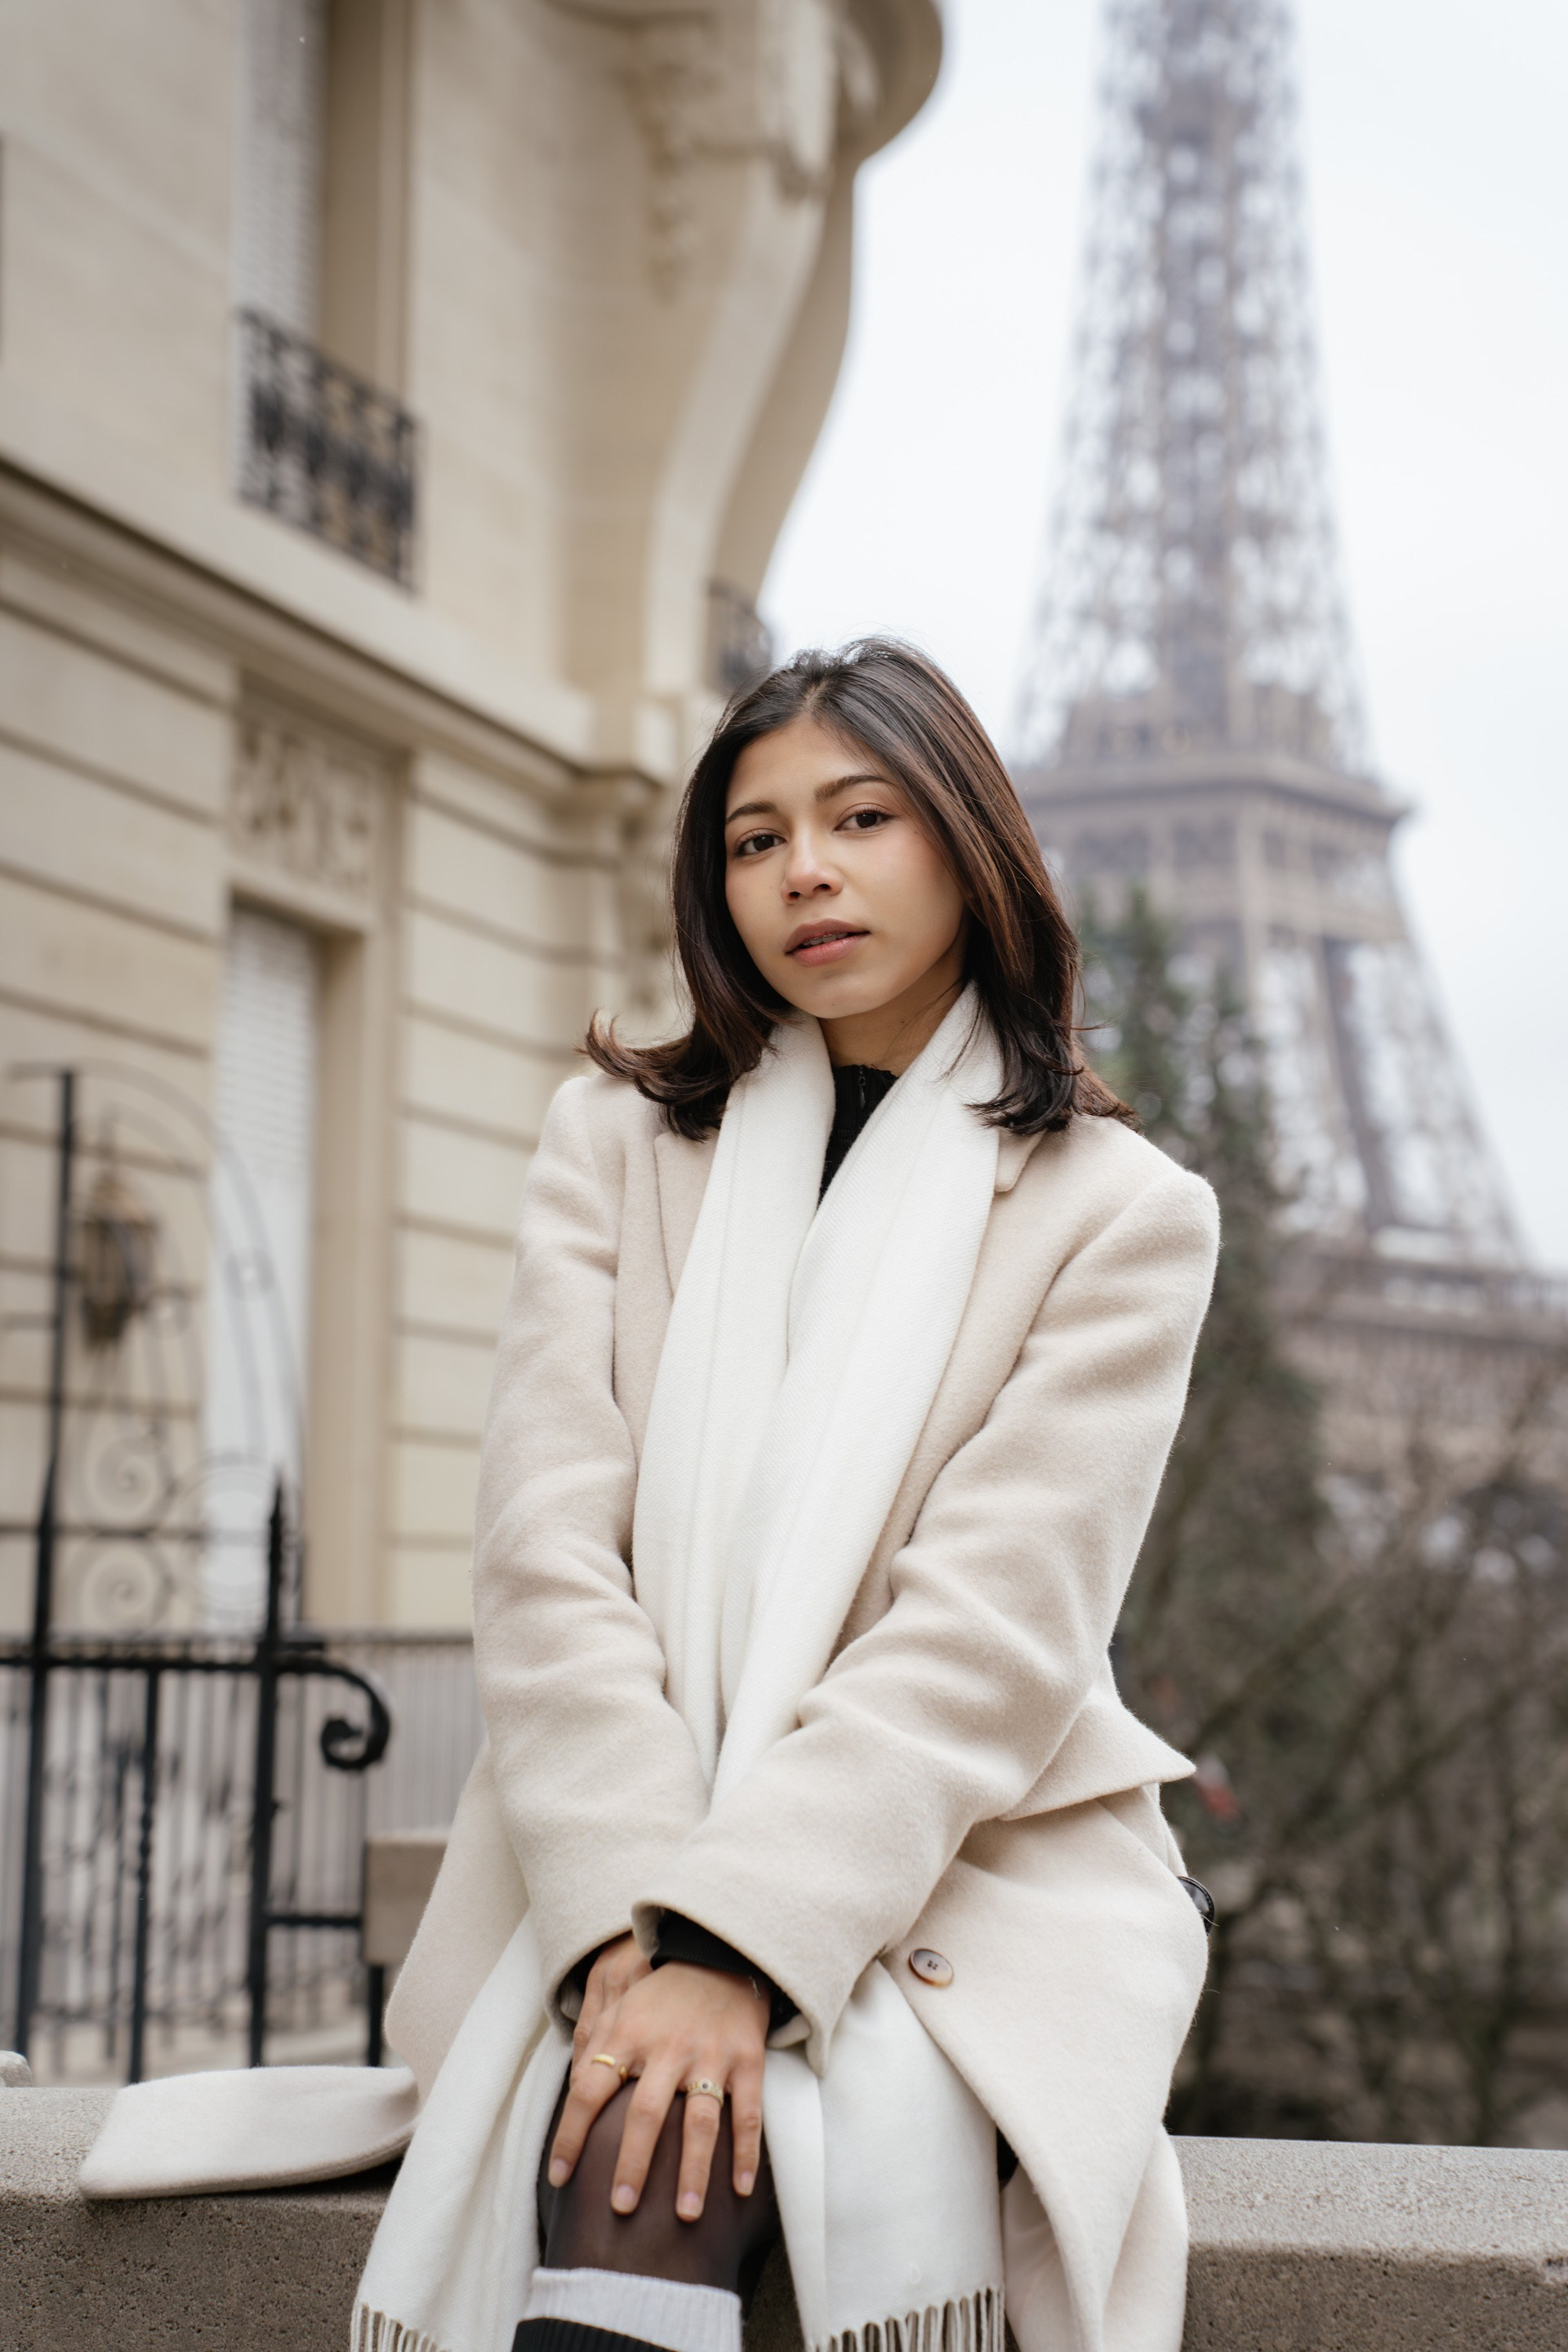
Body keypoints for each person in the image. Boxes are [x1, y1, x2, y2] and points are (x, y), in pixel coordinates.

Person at [351, 640, 1219, 2352]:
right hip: (603, 1832)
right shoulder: (612, 1144)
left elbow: (988, 1634)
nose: (801, 870)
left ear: (968, 842)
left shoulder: (1119, 1215)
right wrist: (637, 1916)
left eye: (858, 816)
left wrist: (736, 1943)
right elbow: (546, 1558)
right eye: (752, 840)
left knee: (657, 2126)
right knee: (648, 2108)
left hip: (951, 1860)